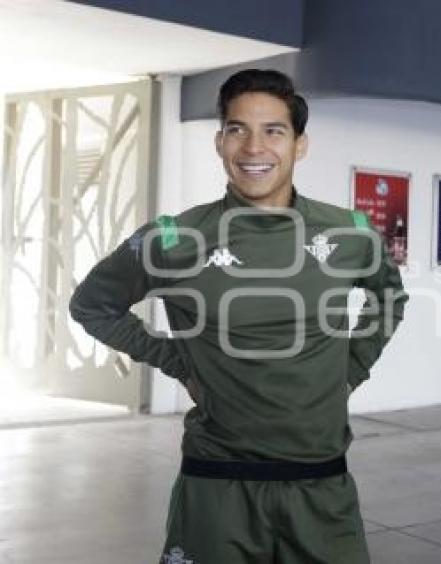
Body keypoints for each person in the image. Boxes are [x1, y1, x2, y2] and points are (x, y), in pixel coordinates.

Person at [69, 69, 408, 564]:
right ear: (219, 141)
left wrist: (350, 368)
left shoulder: (350, 232)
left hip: (321, 487)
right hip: (215, 489)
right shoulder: (173, 238)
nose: (254, 148)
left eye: (274, 131)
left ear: (300, 144)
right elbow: (92, 305)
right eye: (237, 130)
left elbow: (390, 297)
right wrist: (177, 361)